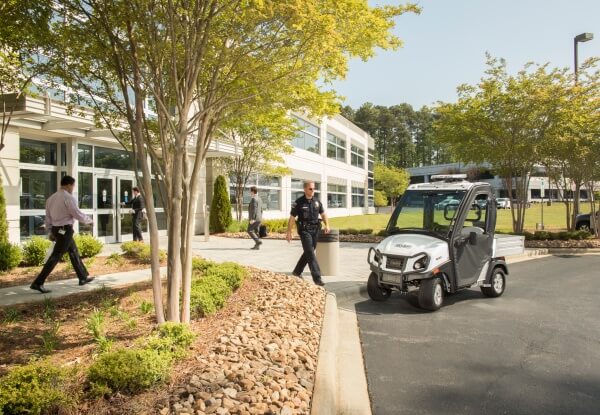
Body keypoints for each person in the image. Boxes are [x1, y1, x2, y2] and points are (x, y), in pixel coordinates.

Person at [30, 175, 94, 294]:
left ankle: (83, 277)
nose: (73, 188)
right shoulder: (68, 198)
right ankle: (38, 282)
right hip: (65, 230)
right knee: (56, 256)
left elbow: (48, 217)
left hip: (57, 229)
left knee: (73, 252)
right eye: (73, 186)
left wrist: (50, 231)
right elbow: (76, 213)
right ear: (69, 185)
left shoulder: (51, 198)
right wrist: (89, 221)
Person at [286, 181, 330, 286]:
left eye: (314, 188)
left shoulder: (317, 202)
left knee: (308, 252)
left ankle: (297, 272)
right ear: (305, 189)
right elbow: (292, 218)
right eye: (310, 188)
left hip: (316, 231)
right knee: (310, 252)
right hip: (305, 231)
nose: (313, 190)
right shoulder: (298, 202)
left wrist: (327, 224)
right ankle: (317, 278)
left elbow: (323, 214)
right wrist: (289, 232)